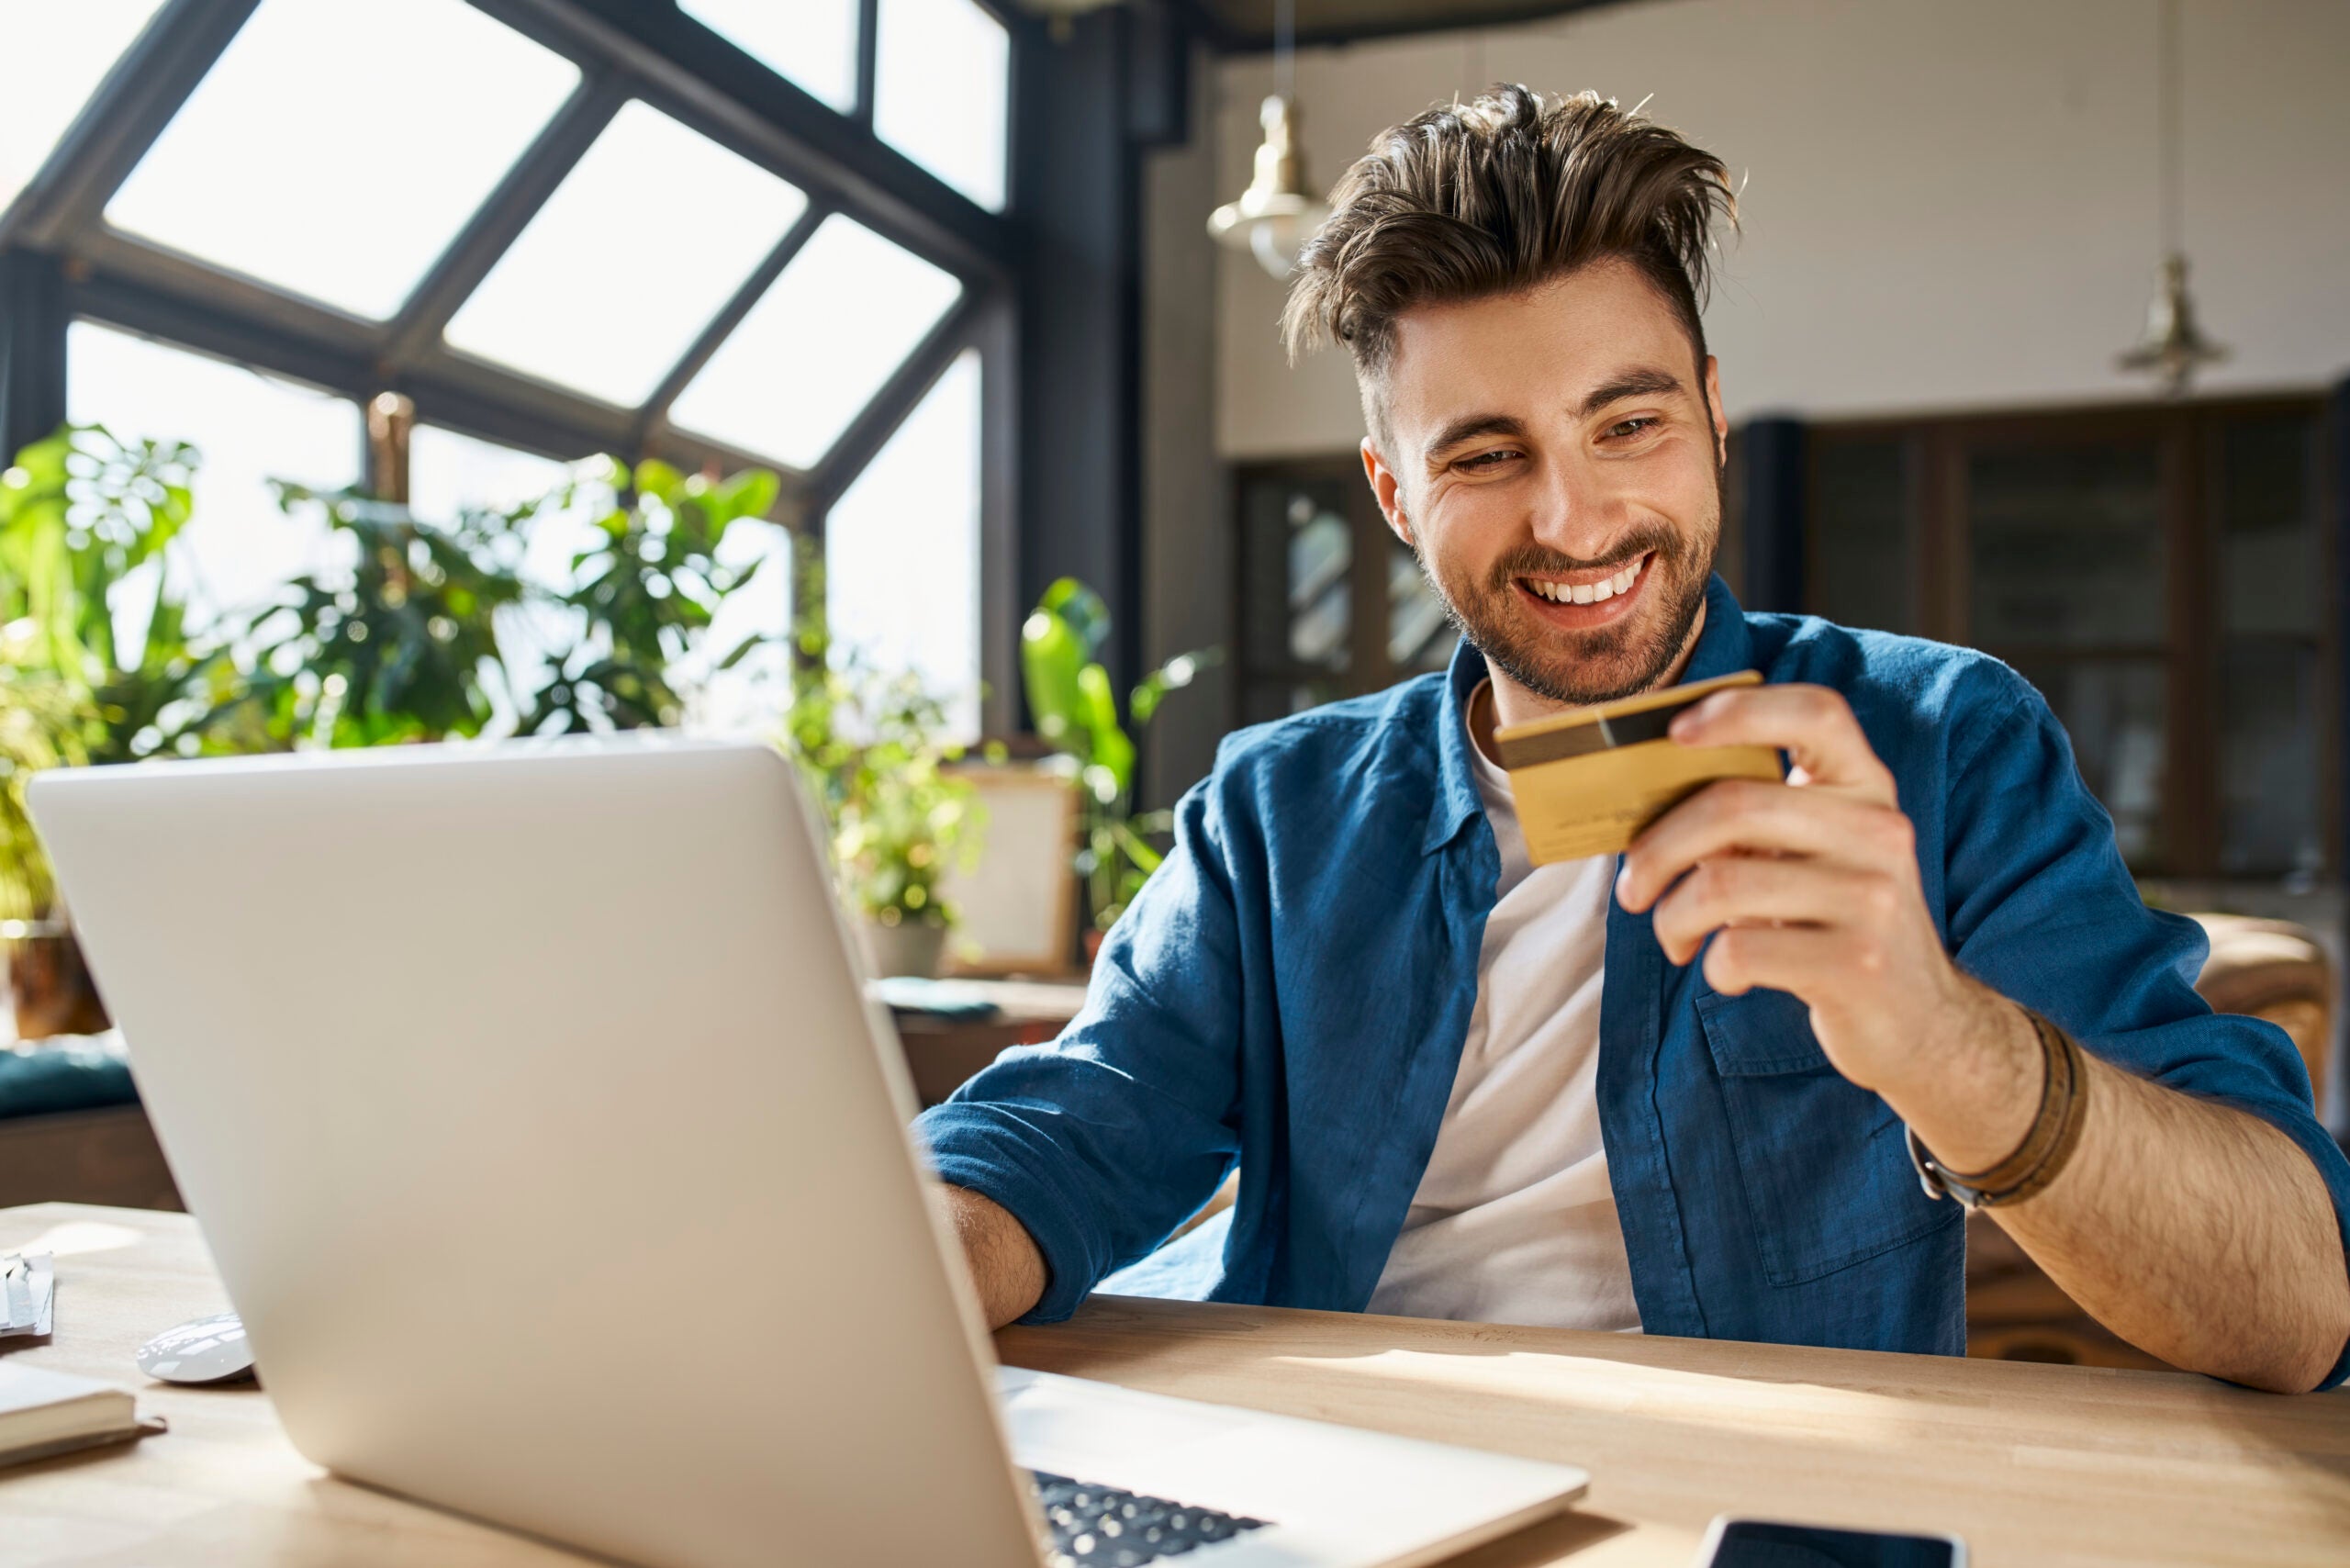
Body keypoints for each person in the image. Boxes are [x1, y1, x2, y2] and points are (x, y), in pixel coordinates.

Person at [918, 85, 2350, 1393]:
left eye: (1629, 423)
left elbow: (2293, 1312)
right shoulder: (1275, 810)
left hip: (1754, 1522)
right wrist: (895, 1256)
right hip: (1322, 1482)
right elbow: (1080, 1122)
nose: (1576, 520)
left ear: (1715, 418)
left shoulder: (1943, 743)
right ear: (1395, 494)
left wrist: (1943, 1041)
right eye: (1484, 454)